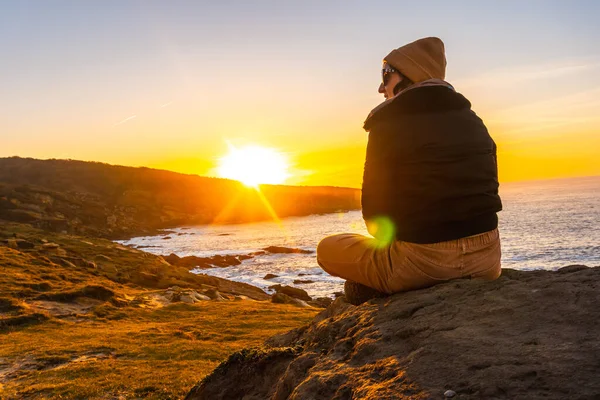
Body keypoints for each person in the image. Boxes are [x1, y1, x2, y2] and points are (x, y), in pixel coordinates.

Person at [316, 37, 503, 305]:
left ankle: (385, 285)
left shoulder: (387, 124)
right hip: (487, 261)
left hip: (423, 264)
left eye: (386, 75)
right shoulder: (475, 121)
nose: (381, 87)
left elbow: (375, 219)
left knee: (327, 249)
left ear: (410, 75)